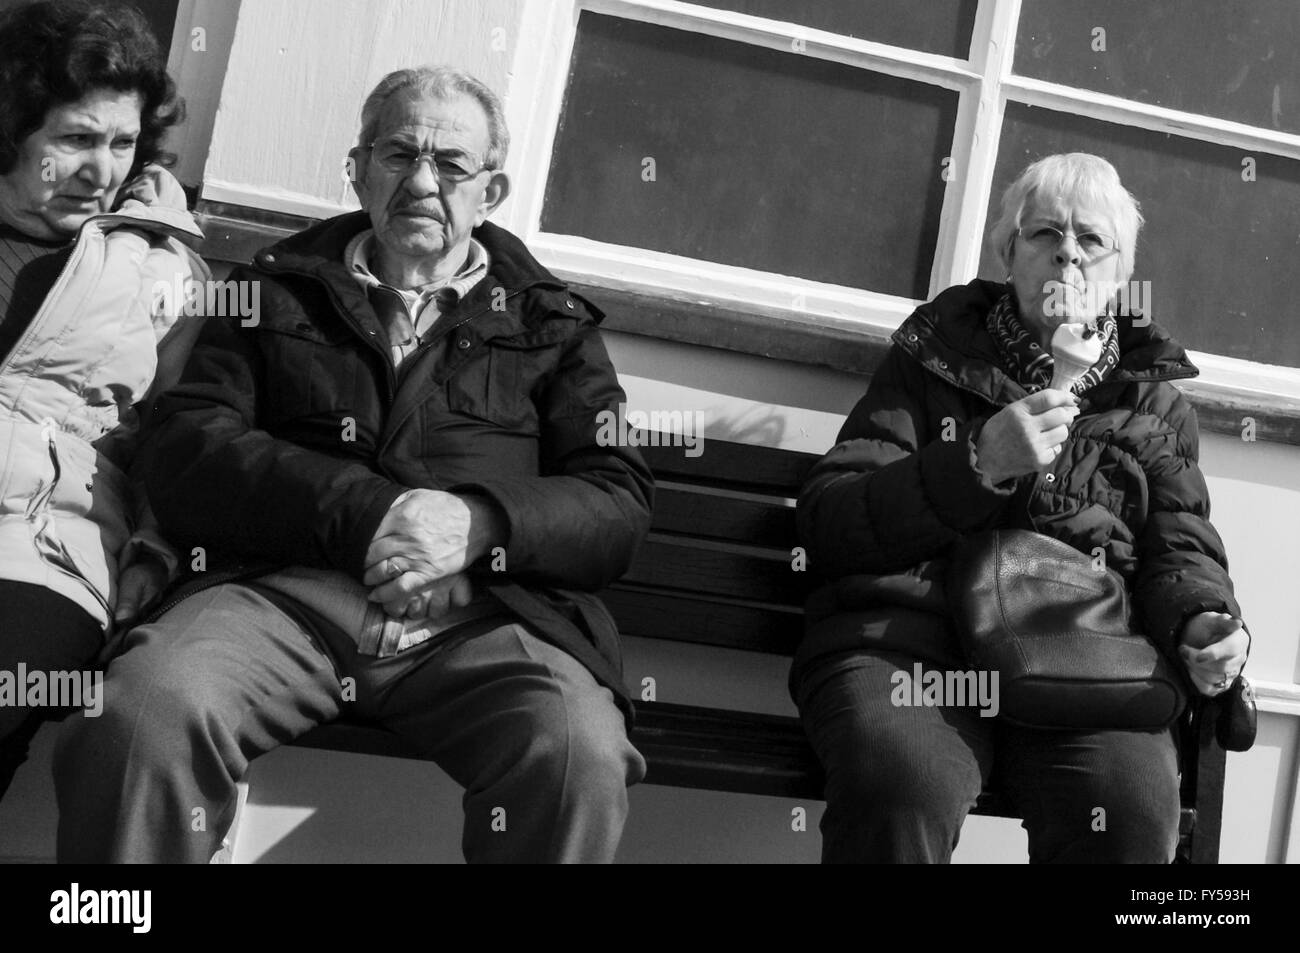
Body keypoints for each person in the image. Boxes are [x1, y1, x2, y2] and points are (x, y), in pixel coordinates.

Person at [54, 65, 653, 863]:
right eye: (400, 154)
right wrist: (371, 515)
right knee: (140, 713)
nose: (422, 181)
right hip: (283, 600)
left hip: (483, 620)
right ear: (359, 167)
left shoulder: (554, 324)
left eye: (452, 165)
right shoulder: (273, 288)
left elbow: (615, 500)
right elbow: (186, 443)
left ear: (493, 189)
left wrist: (479, 524)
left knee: (577, 754)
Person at [793, 153, 1250, 863]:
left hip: (1085, 662)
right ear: (1009, 253)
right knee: (899, 784)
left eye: (1091, 240)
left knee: (1128, 814)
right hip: (916, 648)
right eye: (1044, 234)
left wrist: (1202, 619)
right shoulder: (933, 355)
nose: (1068, 251)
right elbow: (831, 521)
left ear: (1121, 273)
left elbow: (1180, 548)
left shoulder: (1153, 403)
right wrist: (976, 464)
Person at [0, 0, 205, 800]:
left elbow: (181, 435)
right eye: (76, 138)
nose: (102, 170)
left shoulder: (164, 273)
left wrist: (153, 555)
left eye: (122, 142)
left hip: (41, 545)